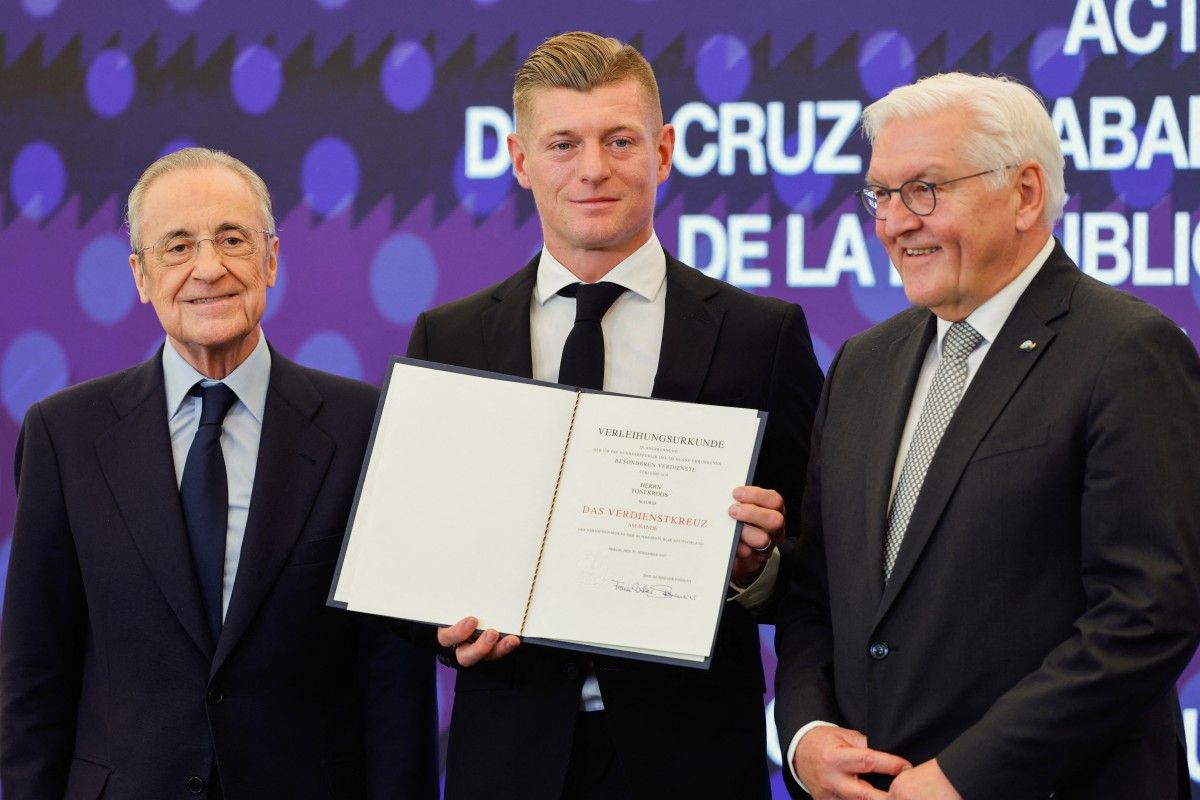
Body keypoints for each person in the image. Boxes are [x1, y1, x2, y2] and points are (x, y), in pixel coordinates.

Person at [406, 31, 823, 800]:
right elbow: (420, 555)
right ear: (520, 160)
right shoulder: (450, 337)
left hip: (694, 765)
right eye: (563, 143)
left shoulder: (761, 336)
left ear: (662, 152)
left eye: (619, 140)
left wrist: (754, 570)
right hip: (508, 763)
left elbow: (819, 570)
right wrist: (440, 626)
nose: (593, 168)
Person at [773, 72, 1200, 800]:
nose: (894, 223)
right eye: (881, 195)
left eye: (924, 190)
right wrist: (807, 736)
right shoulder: (861, 364)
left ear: (1025, 193)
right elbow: (817, 594)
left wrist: (965, 777)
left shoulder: (1127, 350)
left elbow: (1148, 613)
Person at [0, 148, 438, 799]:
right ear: (140, 275)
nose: (209, 268)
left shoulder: (362, 426)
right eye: (177, 247)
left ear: (271, 259)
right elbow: (34, 679)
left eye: (233, 240)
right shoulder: (64, 436)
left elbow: (395, 683)